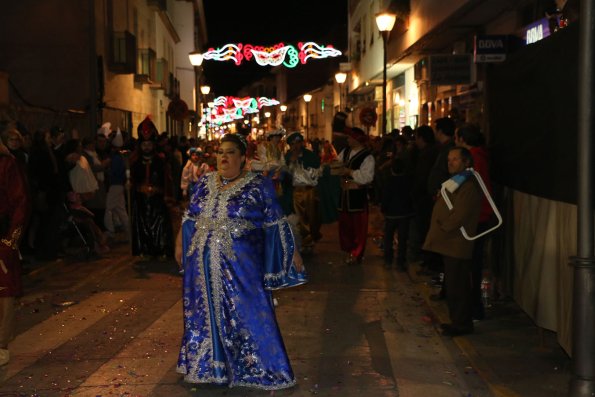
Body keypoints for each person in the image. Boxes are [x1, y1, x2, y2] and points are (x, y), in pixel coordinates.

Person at [175, 133, 306, 390]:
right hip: (201, 266)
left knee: (249, 313)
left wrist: (293, 254)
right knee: (204, 313)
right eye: (220, 152)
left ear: (243, 157)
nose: (223, 157)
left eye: (230, 152)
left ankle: (261, 368)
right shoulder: (204, 183)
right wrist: (180, 242)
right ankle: (210, 367)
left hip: (241, 268)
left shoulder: (259, 185)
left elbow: (275, 223)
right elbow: (190, 217)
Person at [423, 147, 482, 336]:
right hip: (449, 242)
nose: (450, 162)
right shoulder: (458, 182)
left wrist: (444, 226)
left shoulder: (468, 185)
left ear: (466, 162)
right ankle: (457, 321)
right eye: (449, 159)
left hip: (456, 242)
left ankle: (462, 324)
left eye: (455, 159)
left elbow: (461, 214)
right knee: (454, 285)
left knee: (458, 286)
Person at [0, 140, 30, 366]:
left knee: (4, 289)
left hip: (1, 237)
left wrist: (11, 240)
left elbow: (20, 203)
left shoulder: (7, 165)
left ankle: (1, 343)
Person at [129, 116, 174, 260]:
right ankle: (145, 251)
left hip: (157, 200)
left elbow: (167, 180)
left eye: (149, 144)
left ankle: (161, 250)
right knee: (143, 225)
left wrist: (166, 195)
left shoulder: (161, 161)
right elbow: (133, 180)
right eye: (144, 145)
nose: (147, 147)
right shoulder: (135, 162)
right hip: (141, 199)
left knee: (159, 226)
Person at [337, 127, 375, 264]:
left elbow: (367, 177)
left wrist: (350, 172)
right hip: (344, 195)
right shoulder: (345, 152)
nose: (347, 140)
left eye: (349, 137)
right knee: (345, 225)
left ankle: (356, 253)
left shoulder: (367, 156)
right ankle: (348, 250)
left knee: (359, 226)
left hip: (357, 197)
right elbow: (337, 164)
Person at [285, 131, 322, 254]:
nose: (296, 146)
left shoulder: (310, 155)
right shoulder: (287, 156)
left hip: (310, 191)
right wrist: (291, 163)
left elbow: (317, 170)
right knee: (301, 218)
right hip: (297, 192)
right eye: (293, 144)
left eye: (298, 143)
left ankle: (313, 237)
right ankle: (306, 242)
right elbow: (286, 176)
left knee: (312, 216)